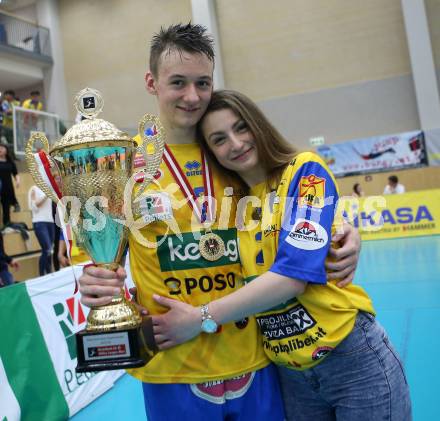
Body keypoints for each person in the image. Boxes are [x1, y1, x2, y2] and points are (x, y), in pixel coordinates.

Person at [78, 23, 362, 421]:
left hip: (257, 358)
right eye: (178, 82)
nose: (192, 96)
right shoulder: (122, 164)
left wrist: (345, 228)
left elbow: (295, 192)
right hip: (171, 366)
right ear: (151, 82)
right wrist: (93, 280)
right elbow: (94, 257)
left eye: (202, 83)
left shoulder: (233, 152)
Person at [150, 90, 412, 421]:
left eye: (241, 128)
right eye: (219, 139)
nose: (235, 143)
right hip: (289, 376)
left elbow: (293, 275)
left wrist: (200, 318)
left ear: (258, 125)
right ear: (212, 152)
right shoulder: (230, 207)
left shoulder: (304, 171)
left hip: (351, 358)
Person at [28, 185, 55, 276]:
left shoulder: (48, 188)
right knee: (47, 249)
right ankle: (42, 275)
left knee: (50, 250)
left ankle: (49, 274)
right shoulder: (33, 189)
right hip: (39, 222)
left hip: (50, 222)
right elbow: (34, 207)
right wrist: (46, 195)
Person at [0, 144, 21, 225]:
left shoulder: (10, 162)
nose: (0, 149)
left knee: (6, 208)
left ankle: (6, 224)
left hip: (7, 188)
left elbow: (15, 173)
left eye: (2, 148)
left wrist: (18, 181)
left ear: (6, 150)